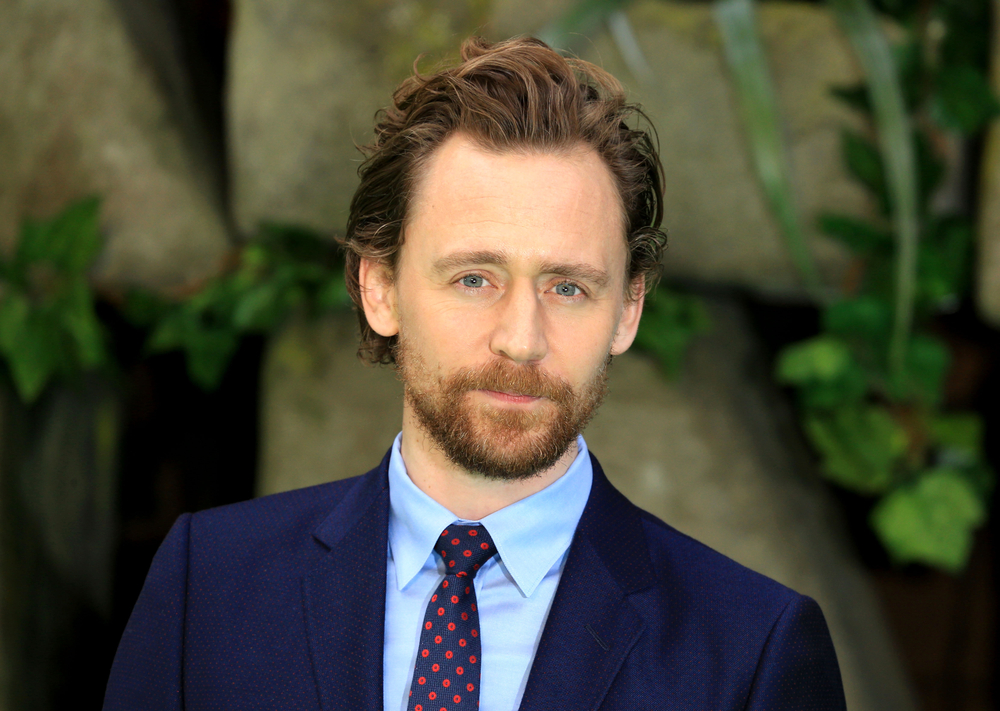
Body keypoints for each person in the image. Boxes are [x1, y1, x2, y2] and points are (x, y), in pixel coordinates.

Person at [104, 36, 846, 711]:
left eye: (568, 287)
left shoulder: (753, 652)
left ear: (628, 310)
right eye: (473, 278)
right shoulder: (209, 586)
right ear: (380, 288)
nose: (521, 339)